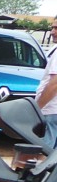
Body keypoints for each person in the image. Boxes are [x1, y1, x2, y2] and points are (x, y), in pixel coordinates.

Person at [36, 21, 57, 150]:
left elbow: (54, 85)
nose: (52, 32)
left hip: (51, 111)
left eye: (56, 28)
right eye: (52, 28)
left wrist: (37, 110)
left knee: (41, 154)